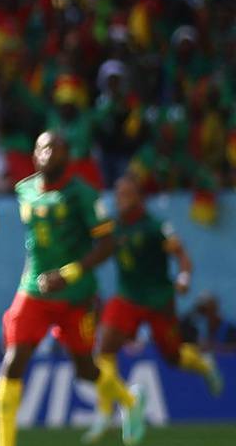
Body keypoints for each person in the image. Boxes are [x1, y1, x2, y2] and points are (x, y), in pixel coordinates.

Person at [0, 132, 139, 446]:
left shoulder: (83, 194)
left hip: (76, 294)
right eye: (43, 147)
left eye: (57, 148)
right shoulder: (24, 190)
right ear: (34, 154)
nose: (50, 153)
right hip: (33, 290)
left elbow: (108, 243)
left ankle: (128, 400)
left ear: (68, 155)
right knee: (13, 360)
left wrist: (70, 272)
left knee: (84, 369)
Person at [93, 175, 224, 417]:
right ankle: (106, 412)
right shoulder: (112, 226)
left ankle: (204, 364)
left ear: (139, 198)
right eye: (119, 194)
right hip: (127, 297)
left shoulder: (156, 226)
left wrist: (183, 278)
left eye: (127, 194)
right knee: (105, 346)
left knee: (173, 357)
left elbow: (182, 256)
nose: (122, 200)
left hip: (158, 300)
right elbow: (96, 243)